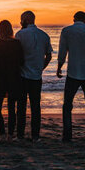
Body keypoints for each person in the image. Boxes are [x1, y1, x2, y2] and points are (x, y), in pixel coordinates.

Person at [15, 11, 52, 142]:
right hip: (36, 75)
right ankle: (35, 136)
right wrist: (41, 67)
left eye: (21, 20)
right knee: (36, 107)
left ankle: (20, 135)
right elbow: (49, 55)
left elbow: (16, 55)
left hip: (23, 75)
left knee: (21, 106)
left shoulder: (20, 34)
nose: (20, 22)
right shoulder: (44, 35)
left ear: (25, 20)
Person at [0, 20, 24, 143]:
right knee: (11, 108)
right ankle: (10, 135)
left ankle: (2, 134)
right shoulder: (17, 43)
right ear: (11, 30)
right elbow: (21, 61)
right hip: (14, 78)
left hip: (0, 78)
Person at [57, 11, 85, 142]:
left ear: (74, 19)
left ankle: (67, 135)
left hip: (73, 72)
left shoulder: (67, 31)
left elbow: (63, 51)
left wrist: (59, 67)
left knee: (67, 104)